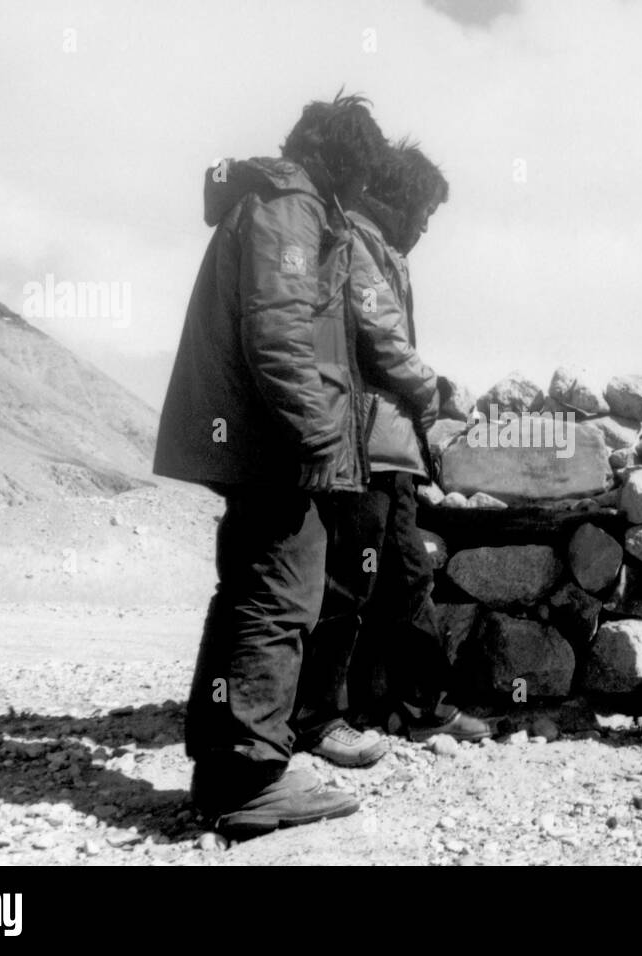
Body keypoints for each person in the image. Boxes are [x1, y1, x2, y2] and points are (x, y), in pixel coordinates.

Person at [153, 93, 386, 837]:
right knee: (280, 597)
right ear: (344, 160)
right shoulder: (292, 207)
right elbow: (281, 334)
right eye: (361, 175)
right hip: (272, 446)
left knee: (249, 592)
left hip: (253, 440)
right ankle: (249, 782)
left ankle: (225, 769)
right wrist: (320, 442)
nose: (361, 193)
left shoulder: (279, 202)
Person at [328, 142, 491, 742]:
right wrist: (437, 391)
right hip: (371, 442)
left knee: (385, 573)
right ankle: (409, 706)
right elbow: (383, 341)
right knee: (386, 572)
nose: (425, 226)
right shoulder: (361, 247)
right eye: (423, 212)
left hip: (388, 443)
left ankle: (376, 704)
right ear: (395, 199)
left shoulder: (380, 251)